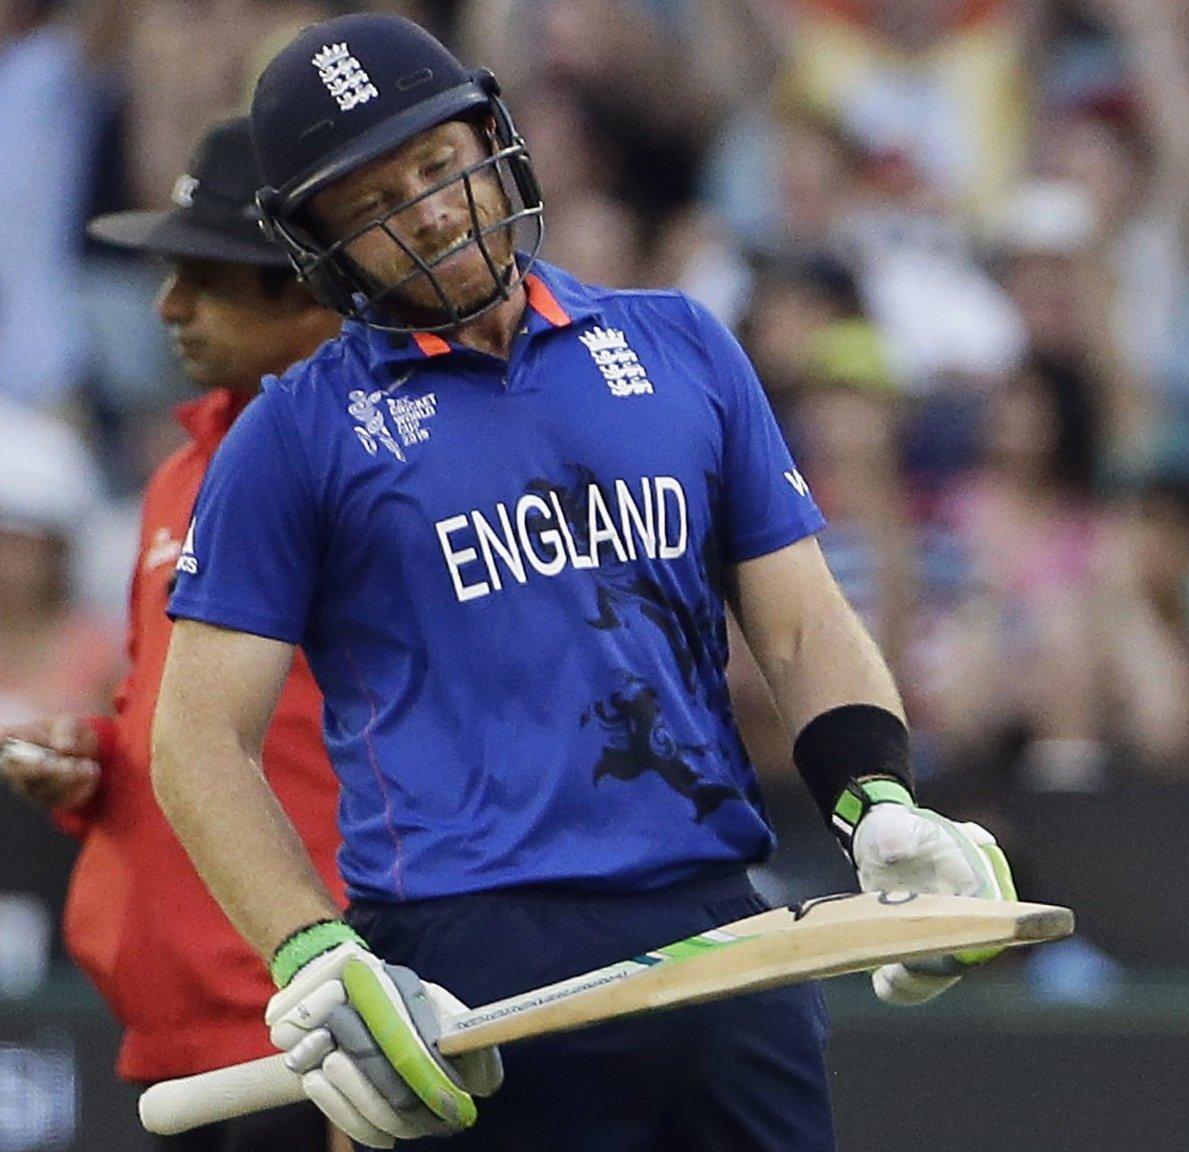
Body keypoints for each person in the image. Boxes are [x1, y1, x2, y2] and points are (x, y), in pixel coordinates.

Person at [150, 14, 1015, 1151]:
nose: (429, 210)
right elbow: (195, 741)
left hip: (717, 922)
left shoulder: (682, 345)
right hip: (472, 956)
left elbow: (801, 625)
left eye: (437, 163)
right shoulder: (294, 436)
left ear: (491, 141)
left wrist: (878, 799)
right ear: (315, 242)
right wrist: (313, 951)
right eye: (371, 203)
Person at [0, 117, 344, 1152]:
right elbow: (163, 708)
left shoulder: (374, 463)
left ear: (304, 288)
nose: (168, 306)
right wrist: (93, 762)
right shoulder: (179, 476)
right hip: (174, 1032)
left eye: (205, 275)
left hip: (311, 1019)